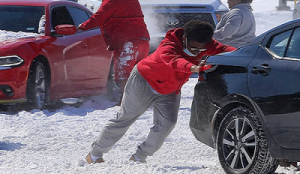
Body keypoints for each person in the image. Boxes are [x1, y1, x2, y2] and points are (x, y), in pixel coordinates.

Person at [85, 20, 236, 164]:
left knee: (167, 123)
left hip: (169, 89)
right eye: (193, 48)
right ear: (184, 38)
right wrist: (193, 68)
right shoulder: (169, 45)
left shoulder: (207, 44)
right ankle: (95, 153)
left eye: (201, 49)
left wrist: (247, 54)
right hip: (144, 82)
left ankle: (139, 156)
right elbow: (173, 60)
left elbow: (226, 50)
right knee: (126, 117)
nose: (197, 52)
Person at [78, 0, 150, 101]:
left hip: (127, 40)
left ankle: (125, 101)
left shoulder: (112, 0)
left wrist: (81, 28)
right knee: (138, 72)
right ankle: (140, 100)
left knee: (124, 72)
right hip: (143, 39)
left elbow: (98, 18)